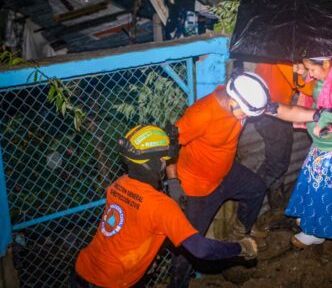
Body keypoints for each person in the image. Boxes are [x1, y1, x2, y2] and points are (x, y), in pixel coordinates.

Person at [71, 125, 257, 288]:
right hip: (114, 282)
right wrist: (241, 247)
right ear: (152, 163)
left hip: (83, 269)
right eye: (163, 159)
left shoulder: (118, 185)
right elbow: (202, 249)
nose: (164, 164)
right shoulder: (161, 207)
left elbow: (132, 227)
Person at [168, 70, 270, 288]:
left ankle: (240, 233)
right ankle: (177, 285)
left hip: (226, 174)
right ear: (232, 100)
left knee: (256, 188)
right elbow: (168, 142)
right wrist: (173, 182)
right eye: (245, 113)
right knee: (187, 249)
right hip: (198, 189)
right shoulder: (201, 114)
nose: (247, 118)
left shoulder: (238, 100)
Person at [266, 56, 332, 248]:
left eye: (312, 69)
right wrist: (305, 73)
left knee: (330, 188)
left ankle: (319, 231)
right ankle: (311, 217)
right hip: (325, 143)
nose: (310, 73)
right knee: (315, 179)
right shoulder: (330, 71)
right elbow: (319, 88)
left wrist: (322, 120)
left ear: (327, 63)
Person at [253, 62, 315, 224]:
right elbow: (307, 88)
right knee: (277, 165)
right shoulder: (283, 58)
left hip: (275, 110)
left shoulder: (273, 51)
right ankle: (249, 198)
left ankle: (277, 209)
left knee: (280, 160)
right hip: (272, 113)